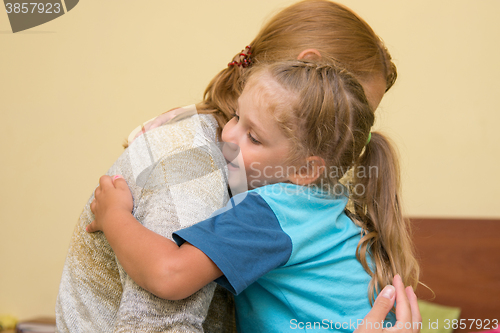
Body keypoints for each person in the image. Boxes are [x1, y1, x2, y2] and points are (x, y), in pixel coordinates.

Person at [56, 1, 416, 332]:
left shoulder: (271, 209)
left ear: (308, 167)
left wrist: (116, 214)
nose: (229, 134)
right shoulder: (322, 202)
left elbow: (169, 274)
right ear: (309, 63)